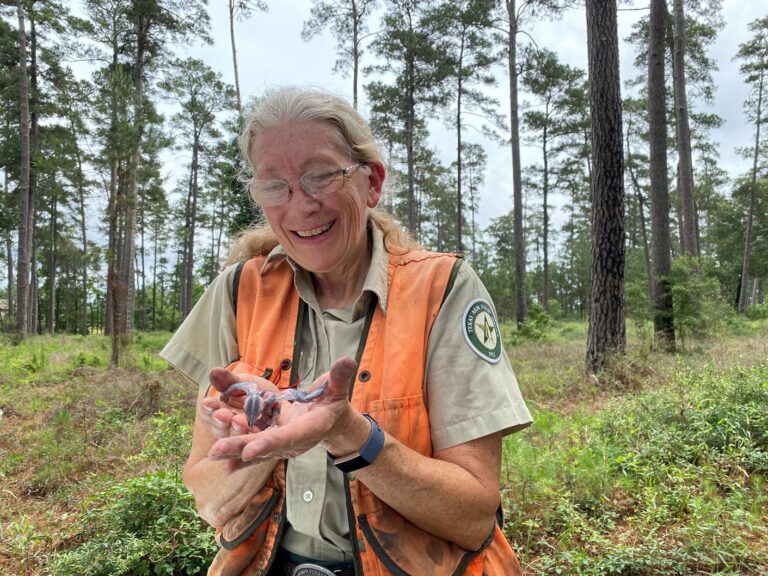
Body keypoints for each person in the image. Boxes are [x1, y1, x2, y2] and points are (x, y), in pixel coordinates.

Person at [161, 87, 532, 576]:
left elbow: (473, 515)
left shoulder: (441, 288)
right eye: (275, 187)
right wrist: (262, 445)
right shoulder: (240, 291)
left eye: (319, 177)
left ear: (371, 182)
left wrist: (350, 435)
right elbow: (206, 494)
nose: (301, 206)